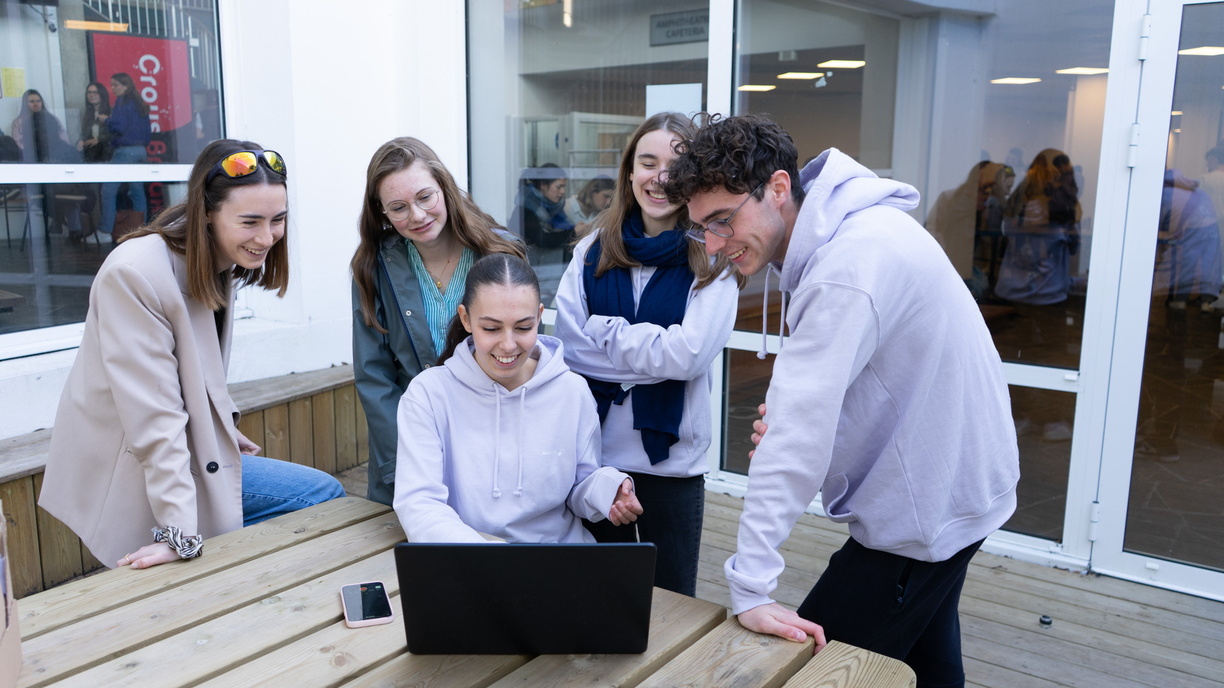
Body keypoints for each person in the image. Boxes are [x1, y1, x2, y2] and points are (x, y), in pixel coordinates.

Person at [663, 114, 1019, 688]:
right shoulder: (857, 233)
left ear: (779, 189)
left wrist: (751, 587)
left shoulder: (847, 267)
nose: (715, 245)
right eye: (701, 228)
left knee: (818, 673)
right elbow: (877, 381)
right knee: (926, 662)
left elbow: (795, 438)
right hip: (956, 485)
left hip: (926, 507)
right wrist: (807, 427)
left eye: (724, 221)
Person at [39, 140, 346, 570]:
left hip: (183, 450)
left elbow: (194, 371)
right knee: (320, 497)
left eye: (278, 220)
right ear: (207, 210)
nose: (266, 237)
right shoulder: (136, 274)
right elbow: (154, 421)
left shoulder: (214, 258)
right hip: (131, 471)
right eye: (250, 221)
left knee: (315, 498)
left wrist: (218, 427)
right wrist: (180, 535)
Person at [553, 112, 740, 596]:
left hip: (673, 464)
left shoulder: (715, 256)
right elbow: (575, 353)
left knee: (673, 601)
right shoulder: (591, 250)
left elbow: (690, 357)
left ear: (693, 176)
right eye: (647, 162)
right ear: (629, 173)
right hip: (597, 460)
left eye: (674, 165)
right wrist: (657, 354)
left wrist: (608, 331)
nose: (659, 178)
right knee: (601, 596)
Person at [392, 253, 643, 543]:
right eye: (491, 328)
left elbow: (579, 485)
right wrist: (492, 561)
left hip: (559, 561)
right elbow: (420, 504)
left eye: (524, 327)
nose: (509, 344)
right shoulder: (428, 395)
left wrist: (606, 490)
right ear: (466, 319)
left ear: (539, 316)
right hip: (469, 565)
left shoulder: (572, 391)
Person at [351, 137, 525, 506]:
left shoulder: (502, 252)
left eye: (425, 197)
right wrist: (408, 460)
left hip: (493, 436)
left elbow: (524, 353)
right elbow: (374, 376)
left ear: (445, 189)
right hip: (410, 440)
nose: (416, 215)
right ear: (382, 212)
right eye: (398, 207)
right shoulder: (372, 266)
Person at [994, 148, 1081, 304]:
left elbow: (1005, 236)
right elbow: (1074, 248)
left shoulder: (1016, 205)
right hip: (1048, 293)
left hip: (1009, 289)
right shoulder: (1063, 214)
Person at [99, 72, 152, 239]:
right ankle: (141, 228)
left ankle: (105, 231)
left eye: (115, 85)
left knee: (108, 190)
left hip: (125, 150)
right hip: (141, 151)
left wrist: (106, 120)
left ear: (126, 86)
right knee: (137, 191)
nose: (112, 88)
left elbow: (120, 127)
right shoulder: (139, 103)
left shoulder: (122, 102)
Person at [511, 162, 575, 261]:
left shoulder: (554, 209)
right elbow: (542, 240)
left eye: (563, 187)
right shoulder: (526, 209)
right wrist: (573, 232)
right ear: (543, 185)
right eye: (559, 187)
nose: (563, 191)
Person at [77, 81, 113, 163]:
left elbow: (114, 133)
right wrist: (81, 141)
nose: (91, 95)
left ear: (102, 94)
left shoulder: (111, 112)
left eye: (95, 92)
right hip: (91, 154)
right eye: (89, 92)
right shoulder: (85, 114)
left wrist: (99, 139)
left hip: (106, 154)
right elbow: (82, 133)